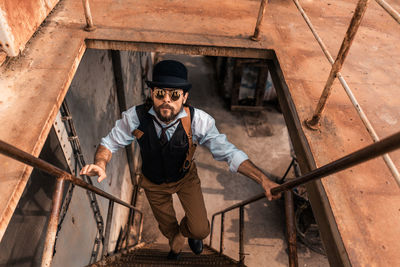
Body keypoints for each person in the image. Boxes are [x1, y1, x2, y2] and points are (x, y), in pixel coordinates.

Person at [80, 59, 281, 259]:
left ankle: (188, 233)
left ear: (184, 97)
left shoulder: (199, 121)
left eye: (174, 94)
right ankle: (175, 240)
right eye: (160, 93)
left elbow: (229, 152)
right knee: (168, 228)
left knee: (201, 229)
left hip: (185, 179)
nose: (166, 100)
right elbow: (109, 143)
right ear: (152, 94)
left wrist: (262, 179)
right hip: (153, 183)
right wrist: (100, 163)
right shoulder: (135, 117)